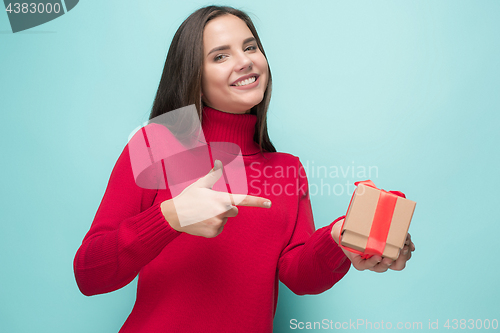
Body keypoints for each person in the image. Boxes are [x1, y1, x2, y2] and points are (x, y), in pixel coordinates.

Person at [73, 5, 415, 333]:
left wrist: (339, 239)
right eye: (220, 56)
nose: (245, 61)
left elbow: (299, 276)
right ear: (193, 73)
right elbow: (89, 274)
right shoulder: (155, 144)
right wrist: (170, 217)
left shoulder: (287, 169)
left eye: (250, 47)